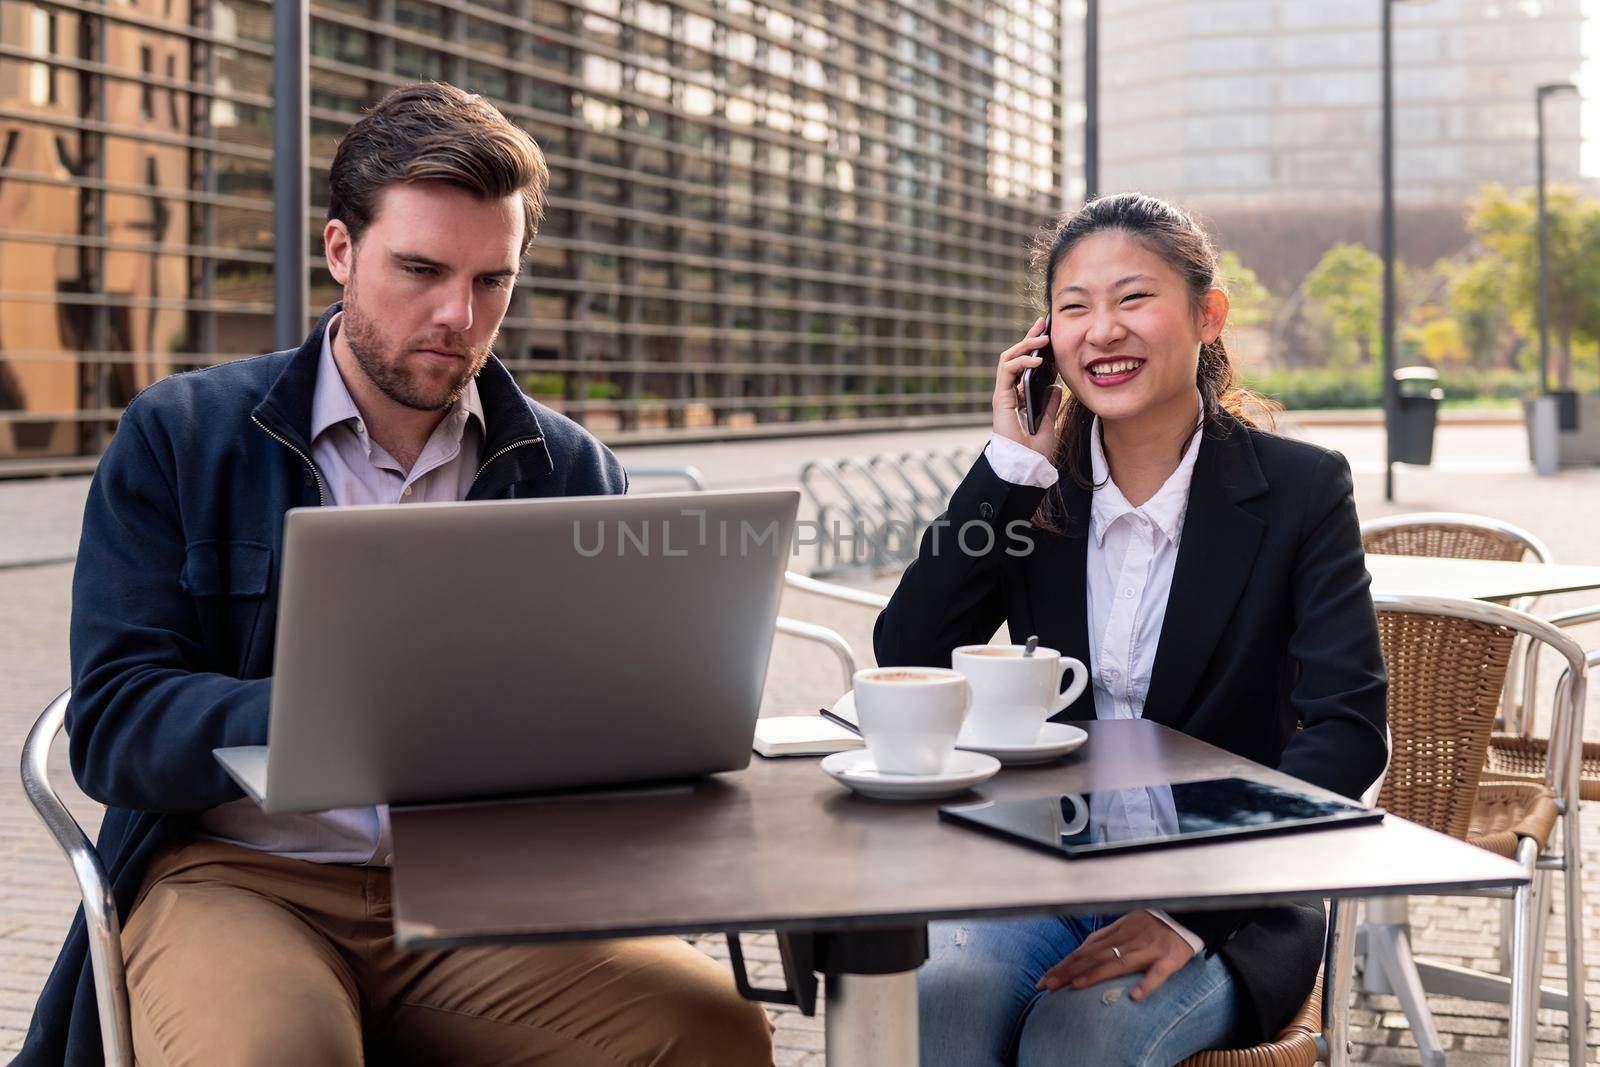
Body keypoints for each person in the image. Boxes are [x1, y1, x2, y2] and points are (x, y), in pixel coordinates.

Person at [16, 82, 773, 1067]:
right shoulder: (184, 435)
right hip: (239, 873)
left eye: (492, 280)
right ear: (340, 251)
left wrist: (655, 727)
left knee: (710, 1028)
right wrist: (347, 714)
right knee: (275, 1049)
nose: (458, 314)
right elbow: (115, 725)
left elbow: (609, 734)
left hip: (480, 890)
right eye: (419, 269)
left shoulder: (571, 470)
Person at [873, 193, 1389, 1066]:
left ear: (1207, 315)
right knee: (939, 1008)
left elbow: (1346, 728)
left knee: (1083, 1037)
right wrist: (1009, 465)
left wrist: (1191, 907)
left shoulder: (1301, 490)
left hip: (1231, 895)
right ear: (1046, 339)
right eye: (1074, 307)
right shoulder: (1035, 490)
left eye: (1133, 298)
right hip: (1045, 868)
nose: (1102, 330)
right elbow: (908, 651)